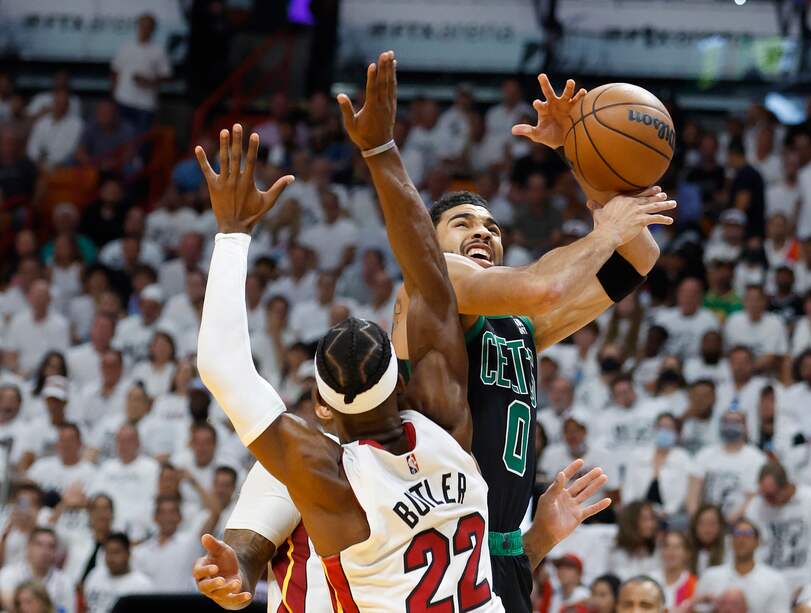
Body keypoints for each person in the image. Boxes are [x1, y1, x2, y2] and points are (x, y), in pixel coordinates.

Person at [198, 66, 669, 611]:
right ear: (433, 244)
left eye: (492, 227)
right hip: (437, 523)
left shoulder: (516, 327)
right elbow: (545, 285)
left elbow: (640, 257)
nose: (482, 233)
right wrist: (602, 223)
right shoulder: (442, 286)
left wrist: (587, 158)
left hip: (487, 545)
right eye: (462, 223)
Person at [193, 84, 512, 610]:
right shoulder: (448, 429)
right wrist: (380, 149)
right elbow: (432, 282)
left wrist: (232, 233)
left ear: (321, 406)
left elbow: (223, 367)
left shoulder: (324, 474)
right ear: (401, 382)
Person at [745, 461, 811, 593]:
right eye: (762, 493)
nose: (766, 499)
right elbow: (751, 548)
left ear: (785, 487)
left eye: (770, 495)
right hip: (767, 580)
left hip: (804, 576)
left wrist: (808, 582)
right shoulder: (756, 506)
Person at [695, 518, 791, 613]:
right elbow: (697, 609)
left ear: (758, 542)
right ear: (731, 541)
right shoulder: (710, 576)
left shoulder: (775, 580)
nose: (741, 539)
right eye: (737, 534)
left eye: (748, 534)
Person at [688, 411, 768, 521]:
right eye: (726, 421)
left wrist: (727, 522)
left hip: (740, 521)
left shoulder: (757, 459)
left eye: (736, 422)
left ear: (745, 426)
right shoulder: (704, 454)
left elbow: (753, 498)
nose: (731, 426)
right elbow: (692, 494)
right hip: (704, 521)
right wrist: (697, 519)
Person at [111, 13, 171, 132]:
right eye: (142, 25)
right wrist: (113, 96)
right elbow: (115, 72)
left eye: (148, 27)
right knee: (122, 140)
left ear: (153, 30)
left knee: (141, 142)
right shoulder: (126, 47)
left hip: (146, 104)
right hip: (123, 99)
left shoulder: (158, 50)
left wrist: (150, 82)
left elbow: (166, 76)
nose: (145, 29)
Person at [0, 528, 74, 613]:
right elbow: (10, 605)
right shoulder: (9, 573)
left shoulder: (65, 581)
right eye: (39, 545)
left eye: (51, 546)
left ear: (56, 552)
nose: (45, 551)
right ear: (28, 547)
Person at [82, 532, 153, 613]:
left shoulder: (142, 585)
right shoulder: (95, 575)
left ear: (128, 554)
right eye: (108, 552)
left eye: (116, 552)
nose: (111, 558)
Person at [610, 502, 660, 580]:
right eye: (645, 519)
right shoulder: (615, 552)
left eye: (652, 518)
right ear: (631, 522)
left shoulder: (658, 549)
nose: (651, 524)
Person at [651, 531, 697, 609]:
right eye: (667, 547)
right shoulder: (649, 580)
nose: (671, 552)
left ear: (687, 553)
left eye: (677, 547)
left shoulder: (694, 584)